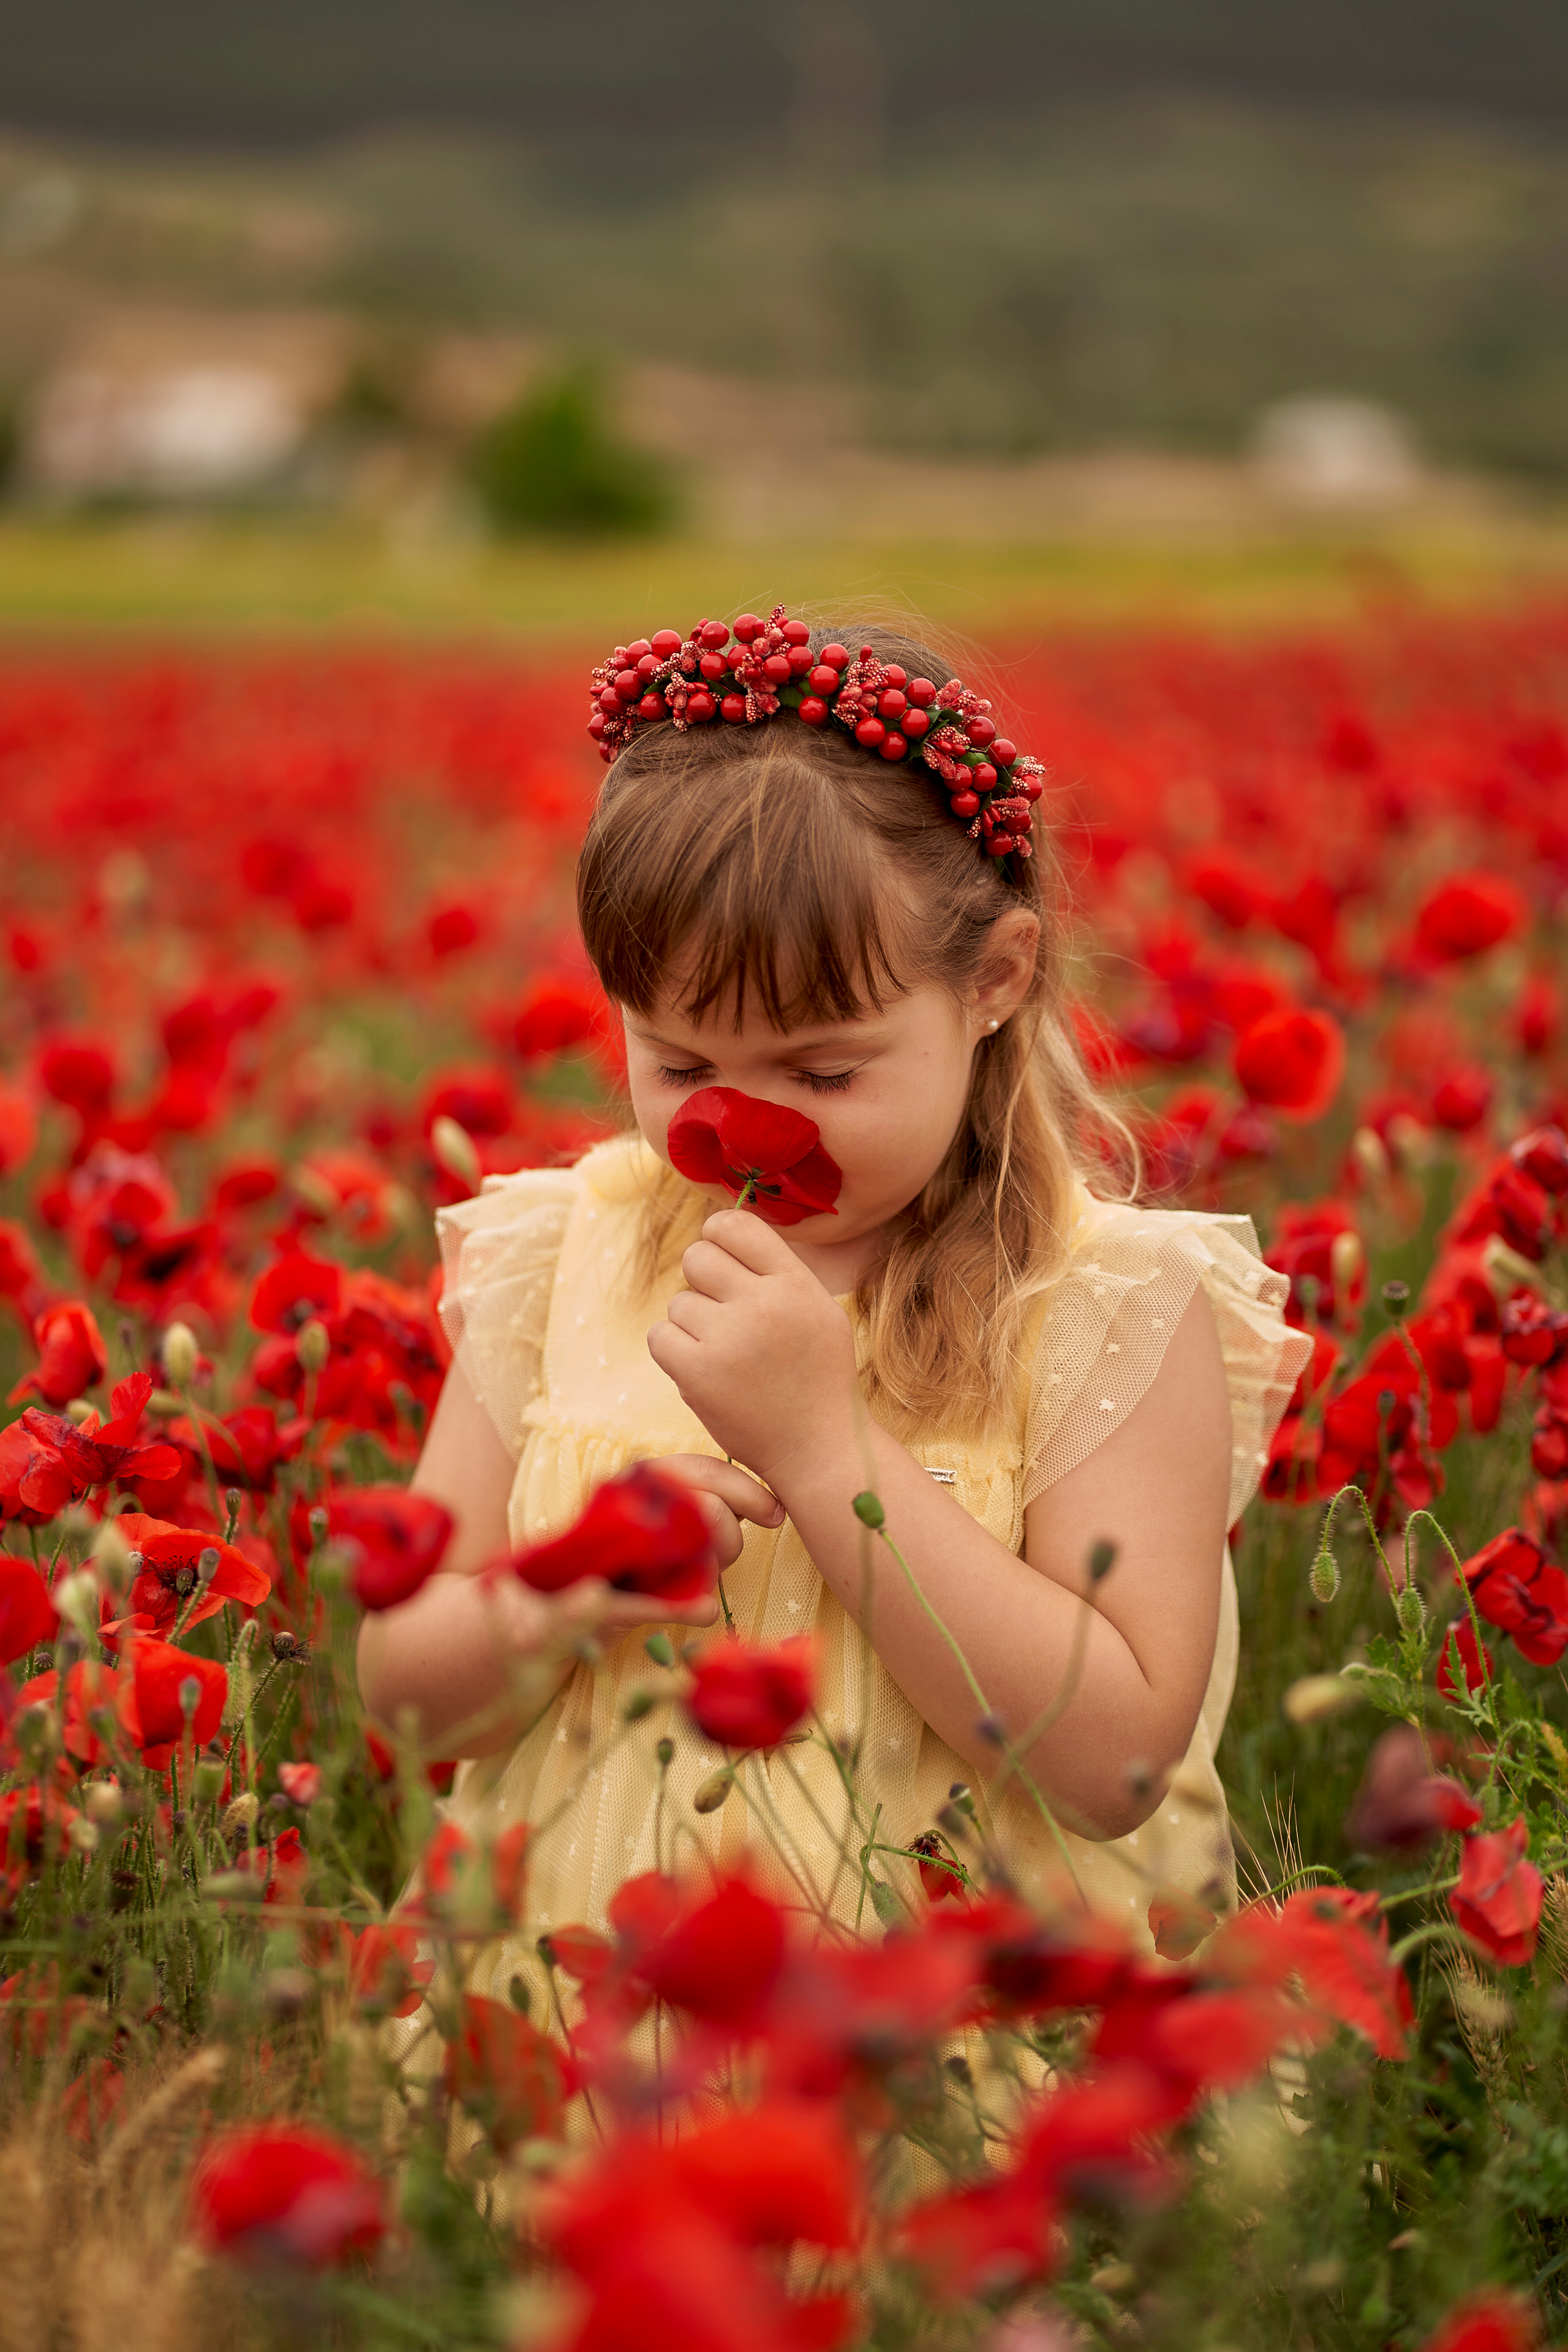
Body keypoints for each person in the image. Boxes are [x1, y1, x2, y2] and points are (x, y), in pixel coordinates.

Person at [358, 608, 1308, 2021]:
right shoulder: (563, 1259)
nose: (740, 1119)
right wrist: (560, 1592)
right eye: (680, 1061)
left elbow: (1111, 1763)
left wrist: (824, 1453)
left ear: (993, 980)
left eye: (822, 1070)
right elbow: (407, 1692)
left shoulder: (1100, 1307)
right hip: (588, 2024)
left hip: (942, 2059)